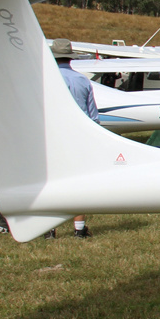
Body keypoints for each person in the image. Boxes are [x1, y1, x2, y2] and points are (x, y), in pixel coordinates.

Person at [46, 38, 98, 239]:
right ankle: (79, 229)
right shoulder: (83, 81)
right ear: (70, 58)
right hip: (79, 138)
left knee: (51, 183)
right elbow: (93, 116)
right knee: (78, 183)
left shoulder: (45, 79)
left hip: (52, 137)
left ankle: (49, 229)